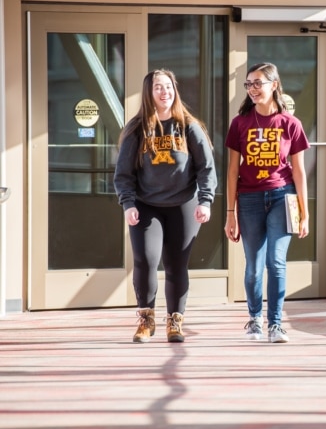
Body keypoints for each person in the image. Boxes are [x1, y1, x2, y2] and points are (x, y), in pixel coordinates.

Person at [114, 69, 218, 344]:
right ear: (149, 93)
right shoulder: (137, 129)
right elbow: (123, 173)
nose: (164, 92)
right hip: (146, 205)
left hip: (184, 204)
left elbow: (206, 168)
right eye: (158, 87)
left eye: (168, 87)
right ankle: (146, 321)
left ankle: (175, 321)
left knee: (176, 265)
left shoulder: (189, 126)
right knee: (146, 260)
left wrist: (205, 200)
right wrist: (128, 204)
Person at [224, 62, 310, 344]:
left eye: (258, 83)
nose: (252, 89)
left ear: (274, 85)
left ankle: (275, 324)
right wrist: (230, 213)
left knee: (276, 262)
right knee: (253, 266)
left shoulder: (290, 124)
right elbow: (233, 171)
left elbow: (298, 171)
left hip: (282, 197)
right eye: (248, 84)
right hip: (248, 199)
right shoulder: (239, 124)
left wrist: (304, 213)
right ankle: (254, 320)